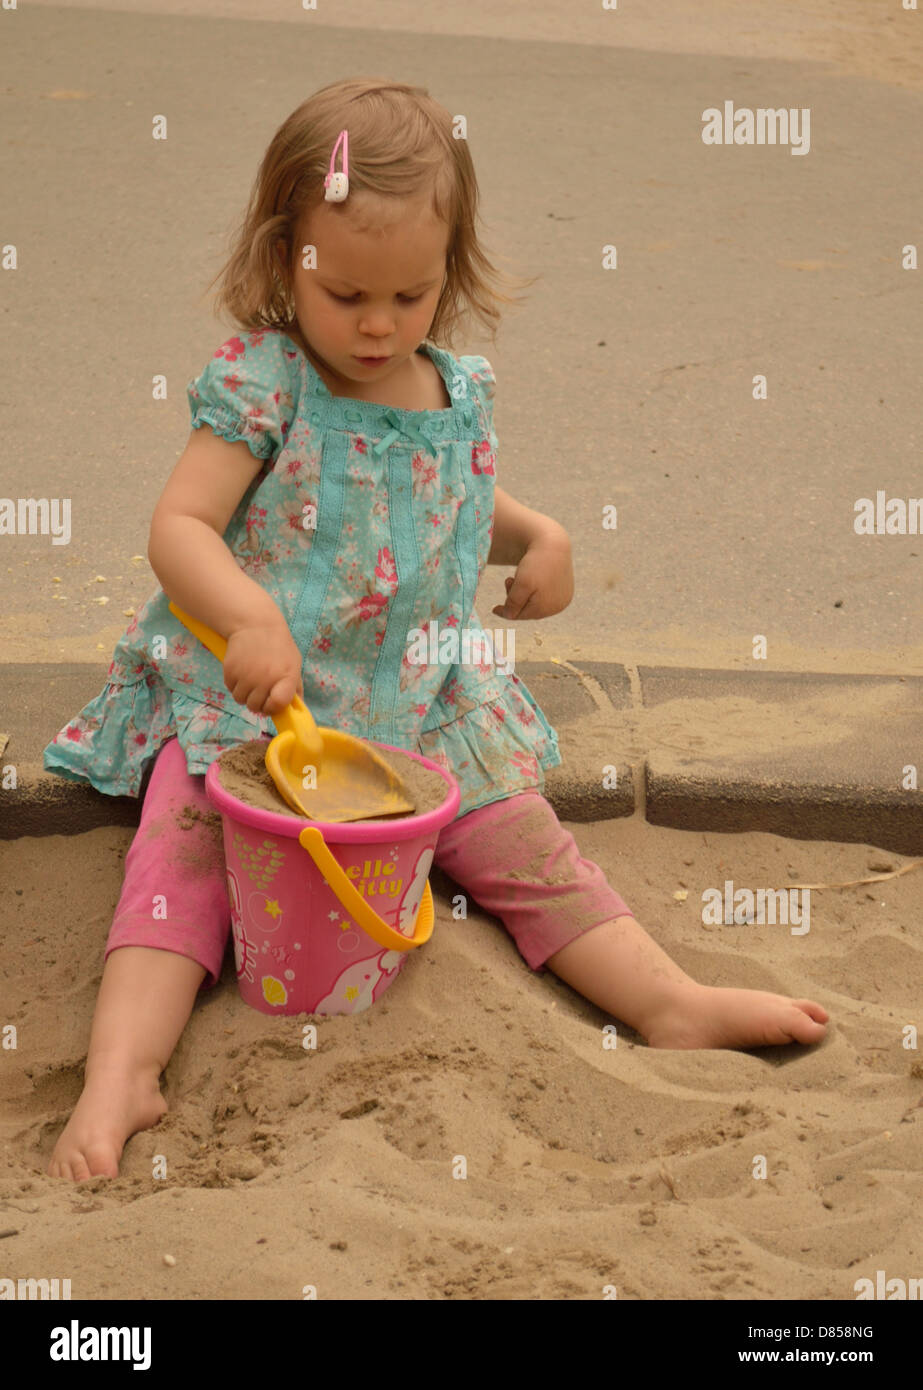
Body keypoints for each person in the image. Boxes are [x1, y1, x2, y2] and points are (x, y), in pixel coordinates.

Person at [43, 78, 828, 1181]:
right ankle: (122, 1066)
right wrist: (243, 614)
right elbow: (179, 526)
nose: (377, 323)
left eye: (409, 295)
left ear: (448, 273)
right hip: (264, 705)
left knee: (526, 847)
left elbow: (448, 499)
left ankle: (667, 1002)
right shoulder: (267, 384)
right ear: (284, 258)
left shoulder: (452, 390)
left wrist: (536, 535)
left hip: (418, 702)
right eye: (346, 290)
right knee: (181, 860)